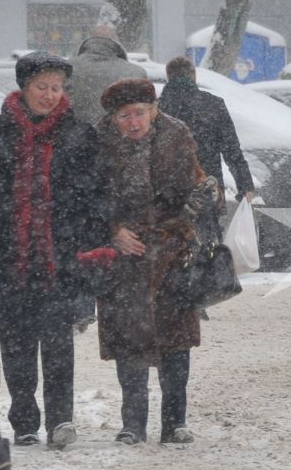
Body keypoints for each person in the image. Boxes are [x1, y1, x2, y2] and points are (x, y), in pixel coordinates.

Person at [0, 52, 106, 449]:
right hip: (10, 259)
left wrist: (88, 248)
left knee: (58, 345)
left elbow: (93, 197)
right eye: (42, 87)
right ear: (23, 88)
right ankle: (24, 417)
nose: (50, 95)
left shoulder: (79, 133)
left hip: (59, 259)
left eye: (57, 88)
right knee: (17, 343)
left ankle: (61, 419)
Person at [86, 77, 215, 445]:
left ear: (154, 111)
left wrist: (200, 198)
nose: (133, 122)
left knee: (176, 340)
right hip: (125, 259)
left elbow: (198, 181)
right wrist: (112, 230)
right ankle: (133, 424)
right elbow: (88, 197)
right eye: (124, 116)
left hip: (172, 252)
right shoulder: (98, 142)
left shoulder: (177, 134)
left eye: (140, 113)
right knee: (129, 340)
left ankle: (175, 422)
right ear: (113, 118)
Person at [158, 56, 256, 205]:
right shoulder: (213, 105)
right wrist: (245, 186)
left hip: (166, 193)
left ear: (168, 77)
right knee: (208, 225)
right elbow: (232, 150)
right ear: (194, 76)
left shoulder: (156, 108)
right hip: (208, 187)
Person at [63, 24, 144, 126]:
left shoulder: (66, 69)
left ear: (88, 40)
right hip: (121, 137)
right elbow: (146, 114)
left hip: (75, 137)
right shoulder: (136, 73)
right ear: (117, 42)